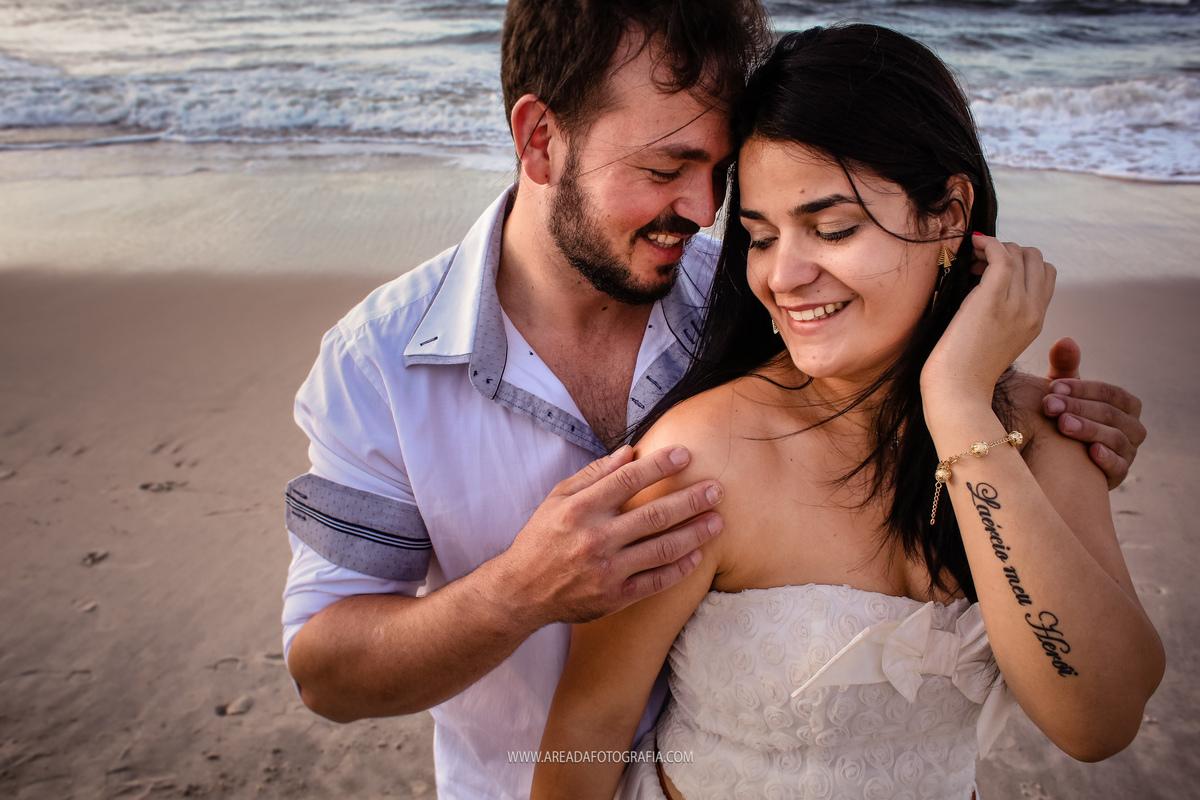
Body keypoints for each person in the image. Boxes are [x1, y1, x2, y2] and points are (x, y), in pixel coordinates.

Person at [281, 3, 1148, 797]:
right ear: (540, 139)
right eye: (667, 167)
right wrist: (521, 589)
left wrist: (987, 411)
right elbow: (328, 673)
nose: (705, 214)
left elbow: (1098, 715)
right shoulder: (381, 361)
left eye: (721, 174)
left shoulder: (760, 305)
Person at [532, 25, 1164, 800]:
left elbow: (1099, 720)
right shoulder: (704, 456)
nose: (783, 276)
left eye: (832, 229)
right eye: (760, 238)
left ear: (949, 215)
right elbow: (588, 730)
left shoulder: (1035, 429)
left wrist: (959, 406)